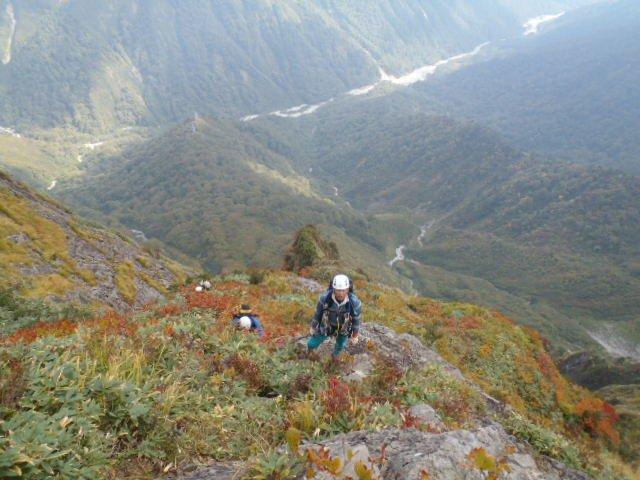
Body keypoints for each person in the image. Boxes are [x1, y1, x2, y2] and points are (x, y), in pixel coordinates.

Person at [307, 274, 362, 358]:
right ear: (333, 289)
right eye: (338, 290)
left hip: (344, 328)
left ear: (347, 289)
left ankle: (334, 358)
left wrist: (355, 336)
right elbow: (318, 313)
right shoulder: (324, 299)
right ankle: (309, 355)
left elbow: (356, 320)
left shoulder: (355, 303)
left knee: (340, 346)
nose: (340, 293)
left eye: (343, 290)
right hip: (327, 325)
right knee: (311, 344)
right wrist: (313, 327)